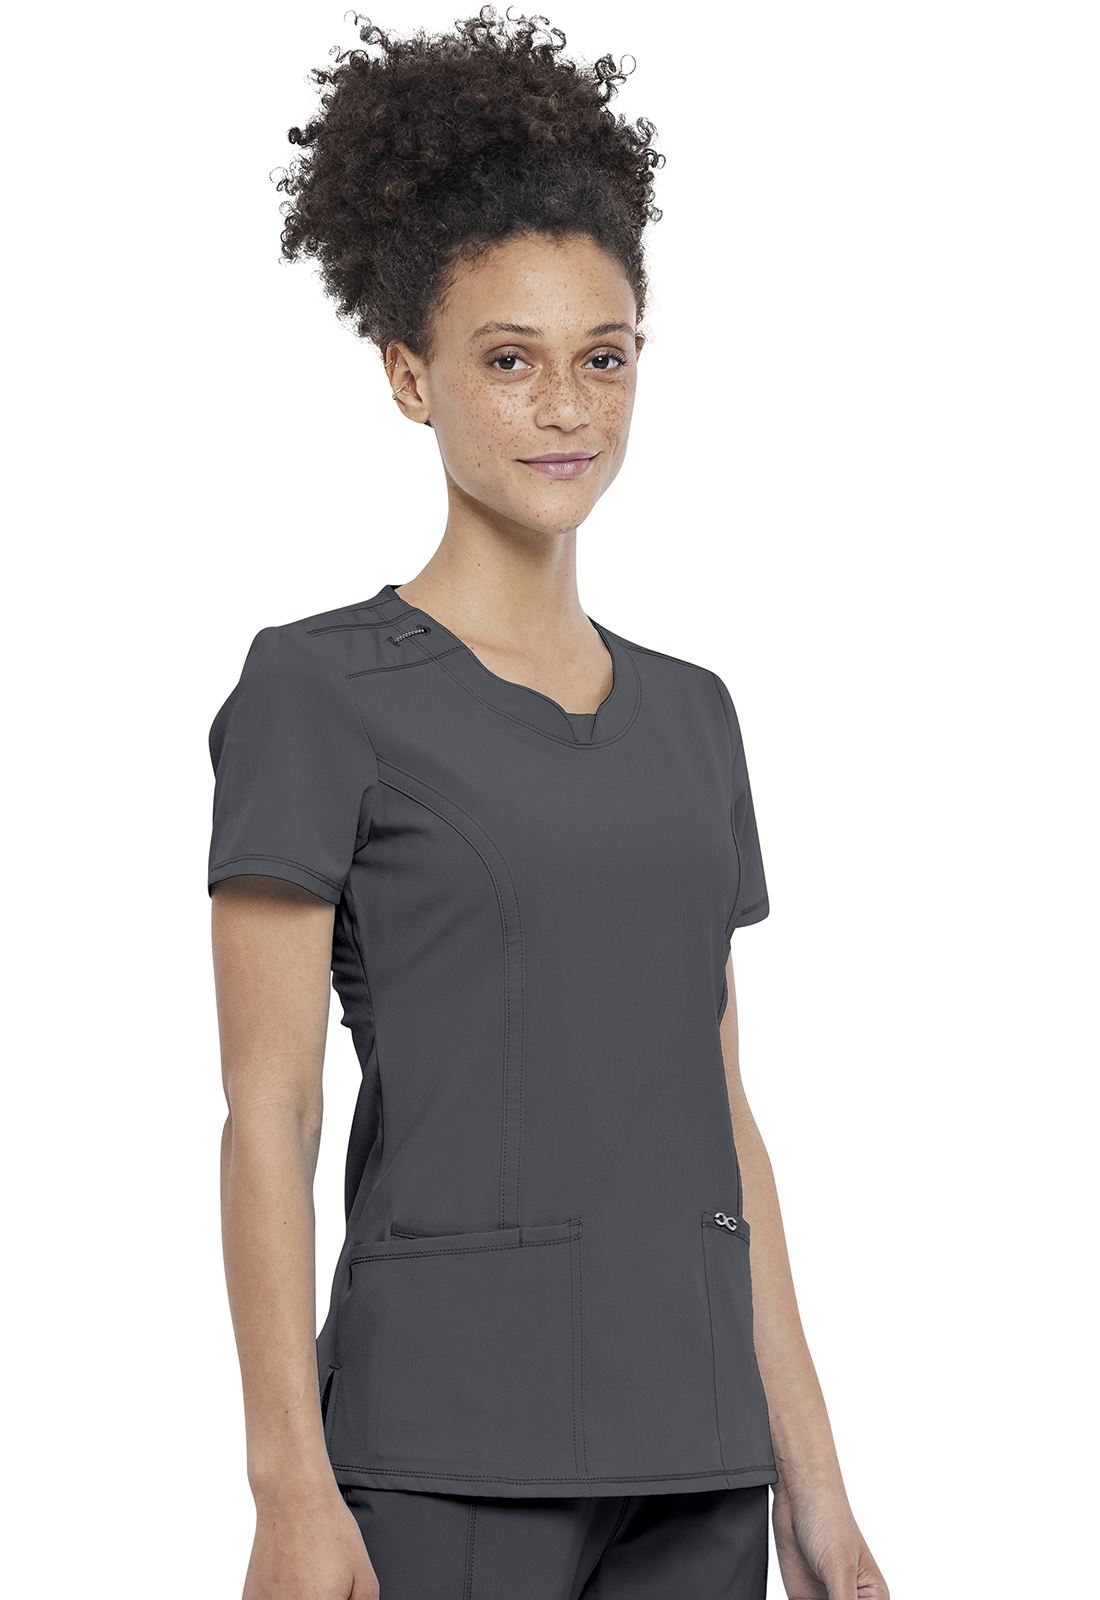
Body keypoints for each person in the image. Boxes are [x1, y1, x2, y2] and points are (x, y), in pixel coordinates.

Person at [208, 11, 891, 1598]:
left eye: (605, 356)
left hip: (698, 1460)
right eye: (508, 361)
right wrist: (289, 1489)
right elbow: (270, 1113)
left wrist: (817, 1486)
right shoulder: (318, 691)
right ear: (409, 375)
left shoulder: (695, 717)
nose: (566, 406)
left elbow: (719, 1115)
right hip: (443, 1447)